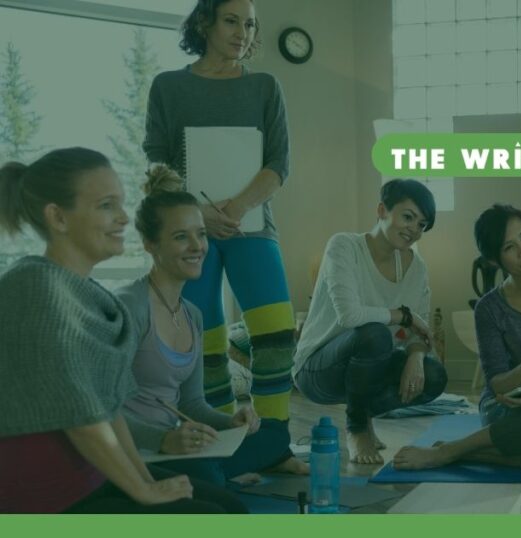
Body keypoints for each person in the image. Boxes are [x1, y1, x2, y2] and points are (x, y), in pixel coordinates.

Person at [0, 148, 244, 513]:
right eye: (106, 205)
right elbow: (81, 415)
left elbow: (110, 407)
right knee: (211, 518)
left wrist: (145, 482)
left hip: (92, 479)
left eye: (121, 204)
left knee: (230, 508)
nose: (123, 218)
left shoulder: (90, 296)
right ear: (58, 217)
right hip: (44, 501)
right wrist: (144, 492)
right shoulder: (36, 286)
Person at [144, 0, 296, 423]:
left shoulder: (265, 86)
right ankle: (218, 442)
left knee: (276, 334)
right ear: (204, 23)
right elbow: (155, 160)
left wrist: (238, 206)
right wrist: (196, 214)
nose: (242, 33)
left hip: (253, 228)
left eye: (249, 25)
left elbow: (279, 164)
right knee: (204, 341)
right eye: (232, 21)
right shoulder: (167, 87)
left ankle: (274, 442)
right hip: (188, 235)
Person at [117, 165, 306, 486]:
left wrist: (230, 421)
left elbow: (192, 404)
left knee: (274, 433)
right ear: (150, 243)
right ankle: (214, 477)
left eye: (201, 233)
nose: (197, 246)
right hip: (138, 450)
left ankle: (215, 475)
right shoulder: (127, 307)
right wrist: (162, 439)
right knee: (210, 479)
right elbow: (100, 412)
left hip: (178, 447)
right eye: (180, 237)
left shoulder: (191, 313)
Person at [392, 205, 521, 472]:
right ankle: (448, 451)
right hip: (509, 410)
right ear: (494, 261)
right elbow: (498, 384)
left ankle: (471, 455)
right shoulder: (489, 308)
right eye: (509, 247)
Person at [294, 179, 447, 464]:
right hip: (317, 369)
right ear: (382, 210)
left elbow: (420, 326)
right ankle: (357, 427)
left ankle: (364, 413)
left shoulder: (417, 268)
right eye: (408, 217)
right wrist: (404, 316)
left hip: (367, 368)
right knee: (375, 334)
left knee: (435, 375)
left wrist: (415, 357)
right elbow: (350, 316)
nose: (413, 229)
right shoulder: (344, 246)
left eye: (422, 225)